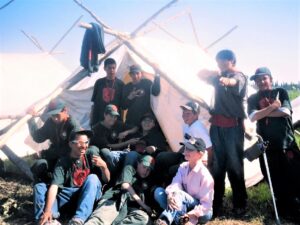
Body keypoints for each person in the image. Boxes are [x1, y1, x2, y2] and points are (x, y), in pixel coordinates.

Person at [248, 67, 300, 220]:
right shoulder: (253, 98)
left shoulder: (281, 92)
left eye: (264, 78)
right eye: (258, 80)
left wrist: (262, 113)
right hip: (267, 146)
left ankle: (296, 208)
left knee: (295, 177)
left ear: (270, 78)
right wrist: (272, 107)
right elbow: (252, 117)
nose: (261, 82)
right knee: (274, 179)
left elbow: (285, 112)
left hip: (286, 143)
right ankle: (282, 209)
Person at [34, 128, 110, 225]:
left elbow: (107, 180)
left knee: (93, 178)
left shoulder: (91, 154)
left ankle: (78, 220)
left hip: (87, 196)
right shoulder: (63, 162)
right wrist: (48, 210)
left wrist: (104, 167)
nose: (84, 146)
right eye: (80, 143)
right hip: (69, 196)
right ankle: (46, 220)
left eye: (86, 142)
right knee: (40, 187)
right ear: (71, 144)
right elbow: (54, 186)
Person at [209, 49, 248, 216]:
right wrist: (217, 75)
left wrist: (226, 79)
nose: (218, 63)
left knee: (234, 166)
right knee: (217, 166)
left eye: (221, 60)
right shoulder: (218, 76)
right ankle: (216, 203)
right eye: (217, 60)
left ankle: (240, 203)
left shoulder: (239, 76)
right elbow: (200, 74)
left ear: (231, 60)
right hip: (217, 127)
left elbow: (234, 82)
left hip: (233, 127)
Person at [154, 137, 214, 225]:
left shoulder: (205, 176)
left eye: (190, 149)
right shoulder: (183, 166)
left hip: (200, 212)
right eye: (185, 148)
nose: (185, 151)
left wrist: (189, 215)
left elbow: (206, 206)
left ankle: (165, 220)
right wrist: (170, 196)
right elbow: (175, 183)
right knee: (158, 192)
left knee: (179, 194)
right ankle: (180, 220)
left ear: (200, 154)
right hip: (181, 204)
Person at [85, 155, 156, 225]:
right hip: (114, 201)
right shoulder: (130, 169)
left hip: (130, 209)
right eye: (144, 167)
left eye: (149, 169)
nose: (146, 171)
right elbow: (125, 185)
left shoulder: (147, 181)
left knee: (144, 219)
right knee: (100, 221)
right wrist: (144, 205)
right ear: (138, 163)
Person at [154, 101, 212, 186]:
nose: (184, 116)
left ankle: (171, 191)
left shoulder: (198, 128)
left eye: (188, 114)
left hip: (195, 160)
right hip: (185, 156)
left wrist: (206, 165)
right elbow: (186, 143)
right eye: (183, 113)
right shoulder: (186, 126)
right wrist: (176, 155)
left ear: (196, 115)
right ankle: (157, 185)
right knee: (161, 157)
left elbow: (209, 148)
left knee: (173, 170)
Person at [27, 99, 80, 183]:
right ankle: (45, 187)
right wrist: (31, 120)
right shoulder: (50, 122)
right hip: (54, 159)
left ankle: (57, 187)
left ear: (65, 110)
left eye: (57, 115)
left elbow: (70, 151)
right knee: (38, 166)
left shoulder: (73, 126)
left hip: (69, 161)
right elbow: (38, 137)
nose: (55, 118)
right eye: (52, 115)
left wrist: (44, 153)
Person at [90, 104, 139, 180]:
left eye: (115, 116)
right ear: (105, 115)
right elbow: (109, 145)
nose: (113, 118)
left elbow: (136, 128)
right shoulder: (97, 129)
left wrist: (126, 132)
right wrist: (128, 142)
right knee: (107, 153)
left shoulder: (118, 124)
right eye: (111, 116)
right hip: (104, 155)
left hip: (119, 153)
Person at [90, 58, 124, 126]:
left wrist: (121, 122)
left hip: (114, 120)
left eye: (113, 68)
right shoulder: (99, 82)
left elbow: (122, 106)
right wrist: (91, 119)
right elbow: (94, 104)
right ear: (105, 68)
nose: (111, 70)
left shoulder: (121, 84)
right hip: (99, 119)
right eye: (109, 68)